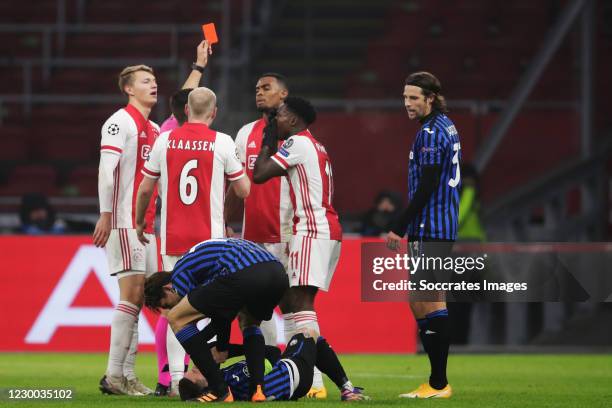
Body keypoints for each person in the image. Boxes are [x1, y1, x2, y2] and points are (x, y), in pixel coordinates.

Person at [253, 97, 367, 401]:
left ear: (292, 119)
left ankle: (329, 383)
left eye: (279, 116)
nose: (275, 120)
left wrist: (266, 140)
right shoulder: (317, 146)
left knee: (302, 310)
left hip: (312, 230)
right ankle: (315, 380)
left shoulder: (297, 144)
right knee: (292, 305)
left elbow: (260, 173)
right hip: (327, 230)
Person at [385, 71, 461, 399]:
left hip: (430, 226)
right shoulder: (446, 125)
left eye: (414, 98)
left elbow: (428, 185)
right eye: (405, 98)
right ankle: (435, 381)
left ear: (430, 98)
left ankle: (438, 384)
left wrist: (398, 226)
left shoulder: (431, 132)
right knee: (418, 301)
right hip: (435, 226)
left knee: (430, 300)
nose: (408, 104)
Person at [144, 238, 289, 402]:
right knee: (248, 322)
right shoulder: (201, 267)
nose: (172, 307)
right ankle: (257, 391)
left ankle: (220, 391)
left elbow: (219, 313)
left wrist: (220, 347)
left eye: (168, 304)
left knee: (176, 318)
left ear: (168, 288)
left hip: (243, 273)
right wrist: (220, 345)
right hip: (277, 274)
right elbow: (223, 313)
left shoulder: (179, 276)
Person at [93, 62, 160, 396]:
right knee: (131, 295)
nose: (153, 85)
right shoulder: (120, 122)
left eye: (155, 80)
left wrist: (198, 66)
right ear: (128, 89)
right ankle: (114, 375)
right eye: (146, 81)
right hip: (122, 220)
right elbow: (107, 170)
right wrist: (106, 214)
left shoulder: (155, 128)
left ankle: (127, 375)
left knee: (143, 299)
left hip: (145, 226)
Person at [178, 329, 369, 402]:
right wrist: (242, 350)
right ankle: (347, 389)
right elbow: (273, 353)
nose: (198, 366)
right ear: (206, 387)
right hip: (295, 373)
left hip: (290, 387)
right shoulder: (235, 378)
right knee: (310, 335)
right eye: (196, 371)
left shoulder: (225, 385)